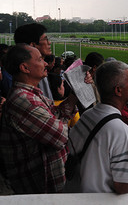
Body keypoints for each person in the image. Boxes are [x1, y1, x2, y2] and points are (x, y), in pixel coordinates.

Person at [0, 44, 78, 193]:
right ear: (25, 68)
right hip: (39, 191)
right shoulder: (23, 100)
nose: (46, 63)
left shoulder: (33, 94)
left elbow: (57, 114)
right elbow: (61, 136)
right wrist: (61, 123)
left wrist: (75, 93)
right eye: (40, 59)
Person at [68, 61, 128, 193]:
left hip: (76, 193)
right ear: (118, 90)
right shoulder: (121, 130)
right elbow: (122, 186)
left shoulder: (88, 115)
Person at [14, 23, 54, 100]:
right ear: (32, 45)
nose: (49, 43)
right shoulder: (34, 73)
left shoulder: (39, 69)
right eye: (45, 39)